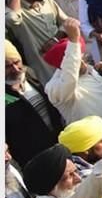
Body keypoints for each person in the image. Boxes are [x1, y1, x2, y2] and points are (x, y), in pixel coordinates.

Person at [43, 22, 102, 124]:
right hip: (100, 137)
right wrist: (73, 42)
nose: (82, 62)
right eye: (77, 59)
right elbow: (70, 79)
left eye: (82, 57)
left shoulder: (92, 71)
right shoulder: (53, 87)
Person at [6, 39, 66, 168]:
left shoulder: (29, 74)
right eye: (7, 66)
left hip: (58, 143)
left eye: (17, 62)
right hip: (35, 158)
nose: (15, 69)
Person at [7, 0, 66, 86]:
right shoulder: (16, 11)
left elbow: (68, 23)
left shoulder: (47, 1)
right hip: (45, 71)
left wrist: (56, 39)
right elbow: (12, 19)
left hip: (65, 61)